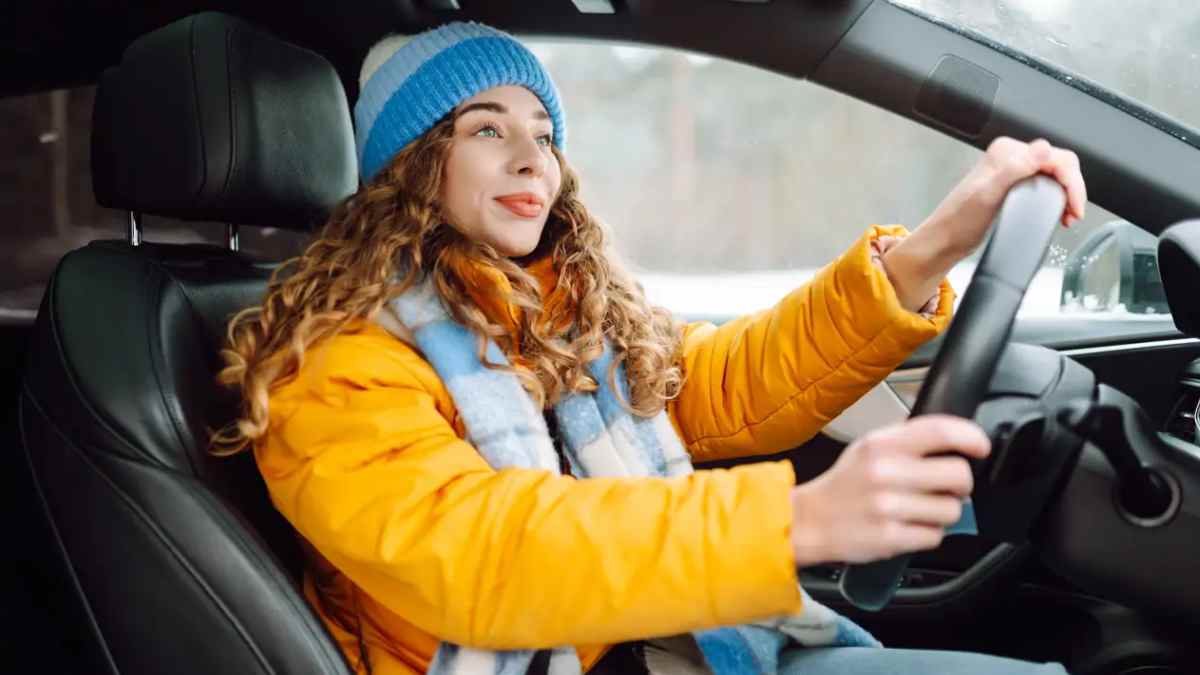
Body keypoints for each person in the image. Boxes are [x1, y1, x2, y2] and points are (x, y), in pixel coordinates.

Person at [215, 21, 1085, 675]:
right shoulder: (329, 363)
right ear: (409, 165)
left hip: (633, 646)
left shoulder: (553, 310)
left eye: (544, 134)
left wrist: (929, 248)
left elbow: (717, 382)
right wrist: (796, 522)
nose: (533, 159)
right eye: (486, 130)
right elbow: (488, 550)